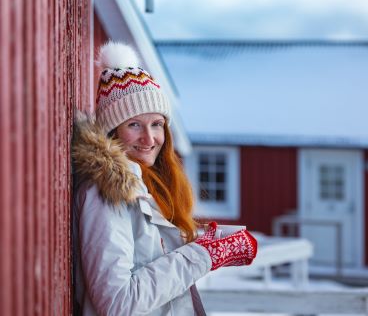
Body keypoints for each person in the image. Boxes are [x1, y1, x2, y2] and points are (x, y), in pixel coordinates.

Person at [72, 41, 257, 316]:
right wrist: (204, 255)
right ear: (112, 131)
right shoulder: (105, 194)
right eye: (134, 124)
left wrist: (208, 241)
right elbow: (117, 303)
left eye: (157, 124)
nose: (150, 139)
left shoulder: (141, 187)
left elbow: (147, 253)